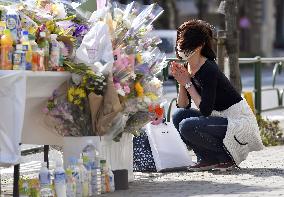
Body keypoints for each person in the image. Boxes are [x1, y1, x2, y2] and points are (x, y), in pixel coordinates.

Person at [171, 19, 264, 171]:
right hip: (219, 119)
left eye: (184, 43)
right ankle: (207, 158)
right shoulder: (188, 66)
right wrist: (182, 81)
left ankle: (226, 156)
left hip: (237, 121)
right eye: (179, 43)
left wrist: (187, 82)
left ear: (199, 45)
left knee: (187, 126)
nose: (180, 47)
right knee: (178, 116)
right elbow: (183, 105)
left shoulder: (208, 69)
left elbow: (206, 110)